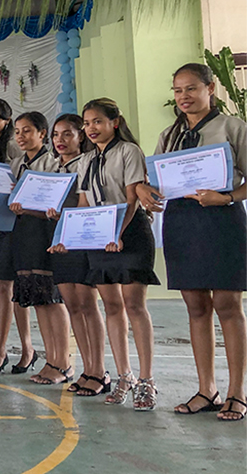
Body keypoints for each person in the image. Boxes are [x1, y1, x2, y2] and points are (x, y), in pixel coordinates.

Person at [137, 63, 246, 421]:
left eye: (191, 89)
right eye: (178, 91)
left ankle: (237, 393)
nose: (184, 97)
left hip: (221, 220)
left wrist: (227, 198)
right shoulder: (169, 135)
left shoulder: (232, 127)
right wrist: (144, 190)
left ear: (210, 88)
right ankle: (207, 389)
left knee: (228, 306)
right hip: (182, 223)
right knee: (195, 306)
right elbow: (152, 178)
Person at [77, 98, 158, 410]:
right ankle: (125, 376)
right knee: (111, 306)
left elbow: (132, 197)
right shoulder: (86, 160)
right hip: (100, 233)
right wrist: (69, 236)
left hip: (129, 232)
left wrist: (118, 234)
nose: (91, 128)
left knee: (134, 305)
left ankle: (147, 380)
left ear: (114, 122)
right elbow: (84, 203)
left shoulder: (128, 151)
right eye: (86, 123)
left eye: (97, 121)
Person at [7, 112, 72, 385]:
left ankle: (65, 362)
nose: (21, 137)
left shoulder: (53, 163)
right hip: (23, 233)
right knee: (37, 300)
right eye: (18, 132)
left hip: (47, 233)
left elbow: (56, 202)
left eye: (27, 131)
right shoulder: (15, 164)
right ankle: (51, 359)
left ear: (42, 133)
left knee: (52, 299)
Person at [46, 114, 108, 396]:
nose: (60, 140)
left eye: (67, 134)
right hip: (59, 241)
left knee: (88, 304)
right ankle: (85, 369)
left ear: (81, 135)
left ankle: (100, 370)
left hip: (83, 239)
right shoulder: (51, 167)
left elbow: (86, 203)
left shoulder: (86, 163)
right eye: (56, 135)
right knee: (72, 305)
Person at [0, 98, 35, 376]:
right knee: (9, 288)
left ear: (7, 120)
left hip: (15, 223)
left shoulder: (12, 145)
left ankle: (0, 349)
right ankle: (27, 349)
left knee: (7, 286)